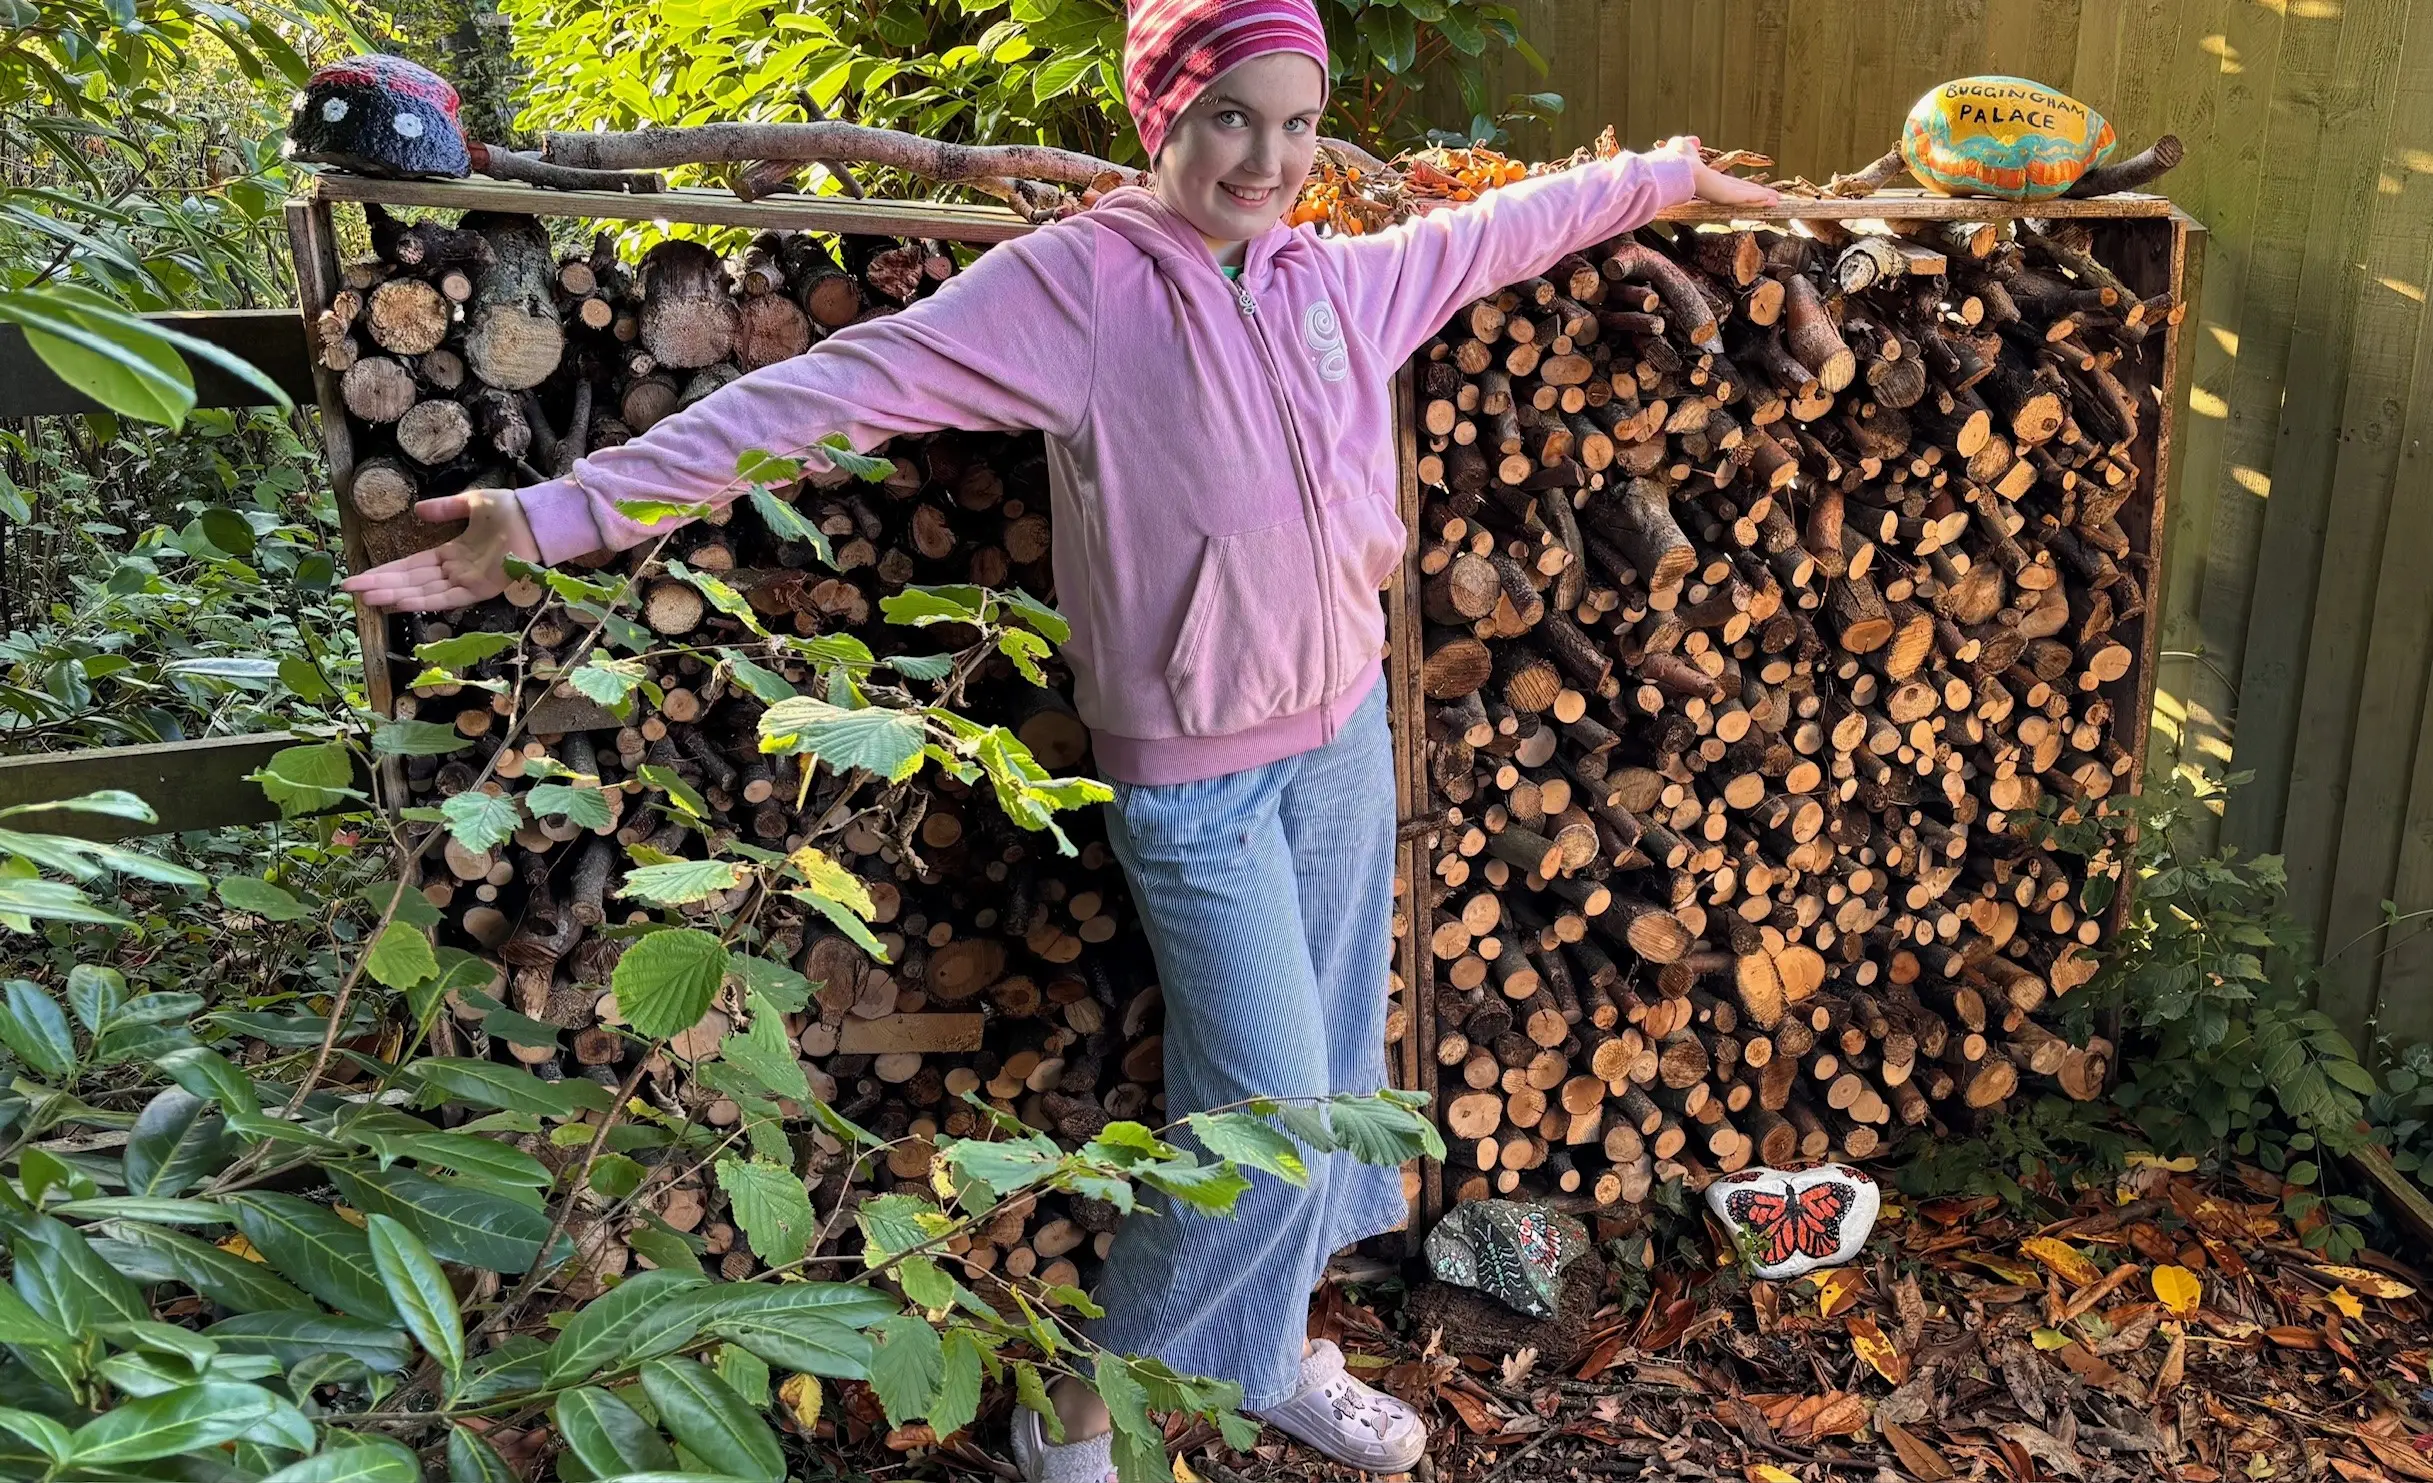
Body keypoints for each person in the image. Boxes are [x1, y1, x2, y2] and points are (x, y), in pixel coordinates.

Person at [342, 2, 1777, 1475]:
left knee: (1337, 1091)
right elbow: (823, 394)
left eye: (1295, 122)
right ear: (1163, 114)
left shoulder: (1343, 284)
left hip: (1345, 744)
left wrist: (1662, 173)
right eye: (1230, 116)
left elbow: (1513, 228)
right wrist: (549, 516)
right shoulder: (1075, 290)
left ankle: (1273, 1350)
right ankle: (1074, 1414)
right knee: (1264, 1124)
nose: (1266, 158)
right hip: (1198, 788)